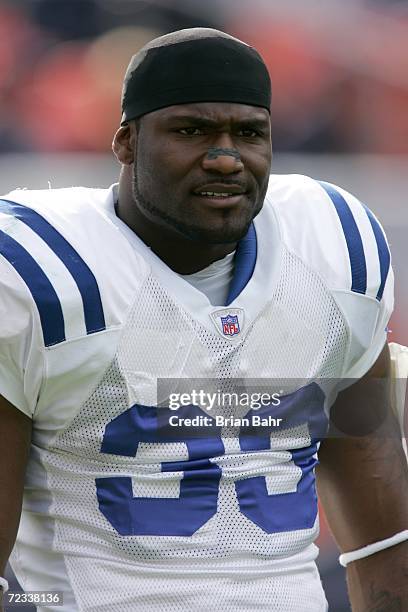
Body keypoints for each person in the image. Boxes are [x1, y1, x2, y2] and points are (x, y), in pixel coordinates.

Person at [0, 28, 407, 612]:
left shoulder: (338, 247)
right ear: (126, 142)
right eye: (191, 131)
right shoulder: (36, 274)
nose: (224, 157)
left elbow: (386, 536)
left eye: (248, 134)